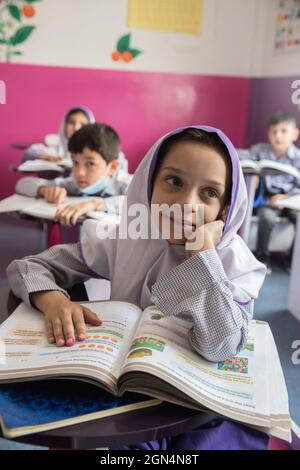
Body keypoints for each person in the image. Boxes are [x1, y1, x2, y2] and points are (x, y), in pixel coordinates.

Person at [7, 126, 268, 449]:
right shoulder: (125, 237)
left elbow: (222, 345)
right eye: (174, 181)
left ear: (225, 209)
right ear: (149, 183)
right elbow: (27, 267)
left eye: (209, 193)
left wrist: (203, 257)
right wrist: (54, 302)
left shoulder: (233, 261)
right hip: (128, 400)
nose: (186, 203)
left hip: (200, 414)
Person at [16, 123, 132, 223]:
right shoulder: (74, 185)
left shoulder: (128, 183)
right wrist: (44, 190)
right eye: (75, 162)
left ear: (112, 167)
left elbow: (140, 203)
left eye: (90, 164)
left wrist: (95, 204)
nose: (79, 173)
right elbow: (23, 183)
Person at [241, 112, 300, 268]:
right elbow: (240, 155)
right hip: (269, 200)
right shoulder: (261, 150)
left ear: (294, 134)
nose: (278, 136)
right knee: (266, 216)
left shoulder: (298, 157)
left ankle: (292, 261)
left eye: (283, 131)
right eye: (274, 132)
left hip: (291, 200)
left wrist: (287, 198)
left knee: (298, 218)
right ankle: (261, 259)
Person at [23, 106, 95, 163]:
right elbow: (28, 153)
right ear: (64, 126)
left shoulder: (94, 153)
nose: (76, 128)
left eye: (82, 124)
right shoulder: (56, 150)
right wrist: (47, 157)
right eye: (71, 122)